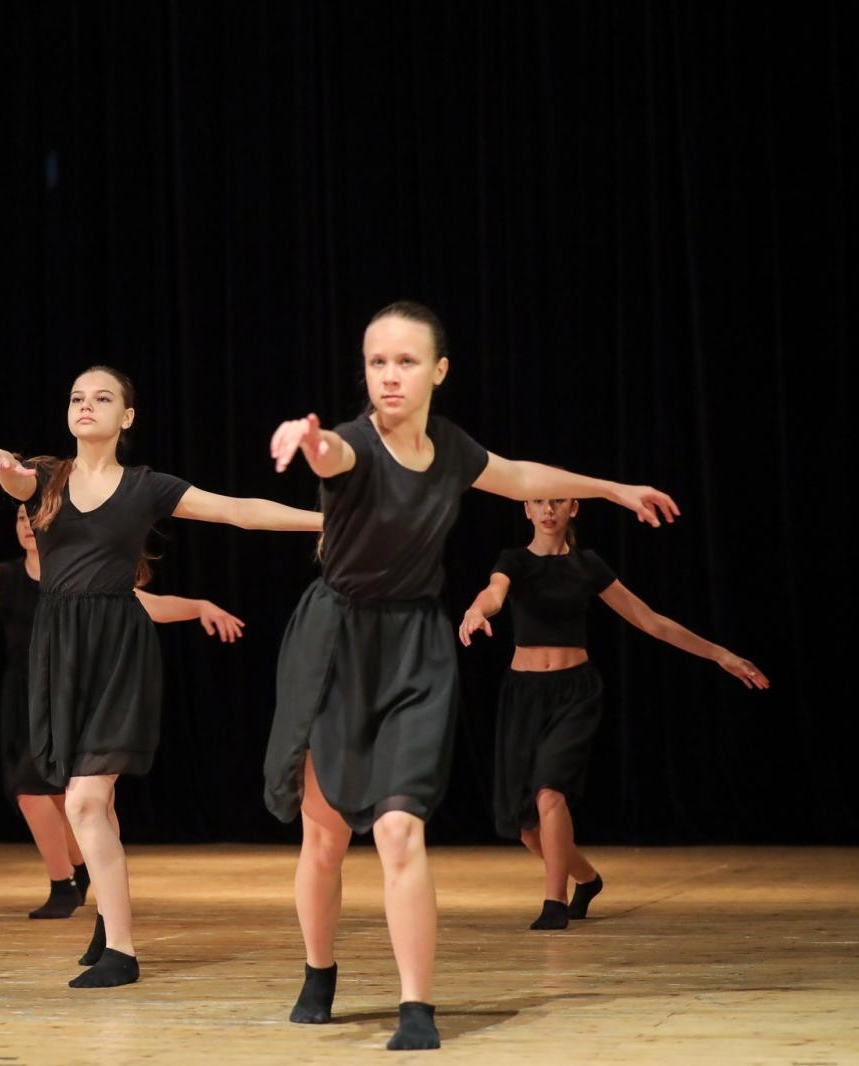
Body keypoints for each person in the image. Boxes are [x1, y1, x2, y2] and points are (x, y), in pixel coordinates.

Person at [264, 300, 678, 1050]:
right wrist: (310, 439)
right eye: (377, 362)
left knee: (398, 827)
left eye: (407, 361)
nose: (390, 376)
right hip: (336, 643)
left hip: (416, 643)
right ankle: (318, 971)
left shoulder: (451, 449)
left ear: (439, 371)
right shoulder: (353, 442)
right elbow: (334, 459)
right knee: (323, 837)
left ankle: (415, 1004)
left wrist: (614, 489)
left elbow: (520, 475)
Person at [0, 364, 322, 988]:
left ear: (126, 417)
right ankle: (111, 920)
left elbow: (238, 511)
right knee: (93, 803)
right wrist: (4, 467)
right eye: (77, 397)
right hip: (59, 652)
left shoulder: (145, 487)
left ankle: (124, 952)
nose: (86, 405)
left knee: (85, 799)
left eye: (102, 398)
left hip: (116, 650)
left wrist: (329, 522)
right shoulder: (48, 478)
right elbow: (14, 479)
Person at [0, 501, 244, 918]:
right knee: (38, 795)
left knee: (51, 796)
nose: (27, 526)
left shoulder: (78, 576)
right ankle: (73, 874)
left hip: (74, 696)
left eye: (35, 519)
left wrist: (199, 606)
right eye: (21, 519)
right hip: (24, 699)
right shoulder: (1, 577)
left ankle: (66, 882)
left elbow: (148, 605)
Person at [458, 495, 767, 929]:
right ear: (526, 509)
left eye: (558, 502)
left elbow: (651, 621)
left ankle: (554, 904)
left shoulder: (588, 565)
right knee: (527, 829)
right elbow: (494, 592)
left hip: (574, 694)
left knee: (551, 792)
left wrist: (720, 655)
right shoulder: (514, 561)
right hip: (523, 696)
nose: (549, 510)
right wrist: (475, 610)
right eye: (539, 502)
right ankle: (587, 877)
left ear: (573, 509)